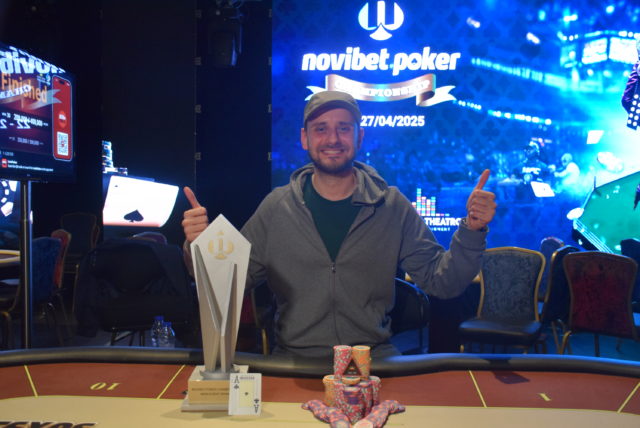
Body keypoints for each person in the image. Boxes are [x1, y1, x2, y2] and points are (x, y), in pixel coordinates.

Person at [182, 91, 496, 359]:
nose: (332, 139)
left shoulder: (391, 206)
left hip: (372, 362)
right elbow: (227, 282)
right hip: (294, 363)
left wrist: (472, 230)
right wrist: (199, 246)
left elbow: (444, 283)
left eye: (343, 128)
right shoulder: (276, 207)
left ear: (359, 137)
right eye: (321, 129)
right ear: (305, 138)